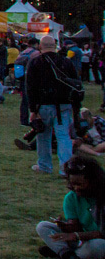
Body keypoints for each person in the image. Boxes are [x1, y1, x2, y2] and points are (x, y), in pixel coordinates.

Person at [35, 156, 105, 259]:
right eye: (73, 184)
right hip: (81, 240)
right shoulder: (71, 198)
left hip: (98, 240)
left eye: (80, 184)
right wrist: (66, 227)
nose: (76, 188)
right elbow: (76, 226)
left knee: (99, 245)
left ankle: (61, 252)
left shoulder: (102, 198)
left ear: (93, 181)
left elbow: (102, 233)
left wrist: (75, 235)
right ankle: (75, 258)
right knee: (43, 226)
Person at [27, 34, 82, 175]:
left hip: (44, 105)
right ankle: (66, 169)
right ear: (55, 46)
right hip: (63, 105)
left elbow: (31, 87)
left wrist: (33, 109)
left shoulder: (35, 62)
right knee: (63, 136)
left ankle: (45, 166)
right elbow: (76, 83)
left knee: (43, 136)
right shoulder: (66, 62)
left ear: (40, 46)